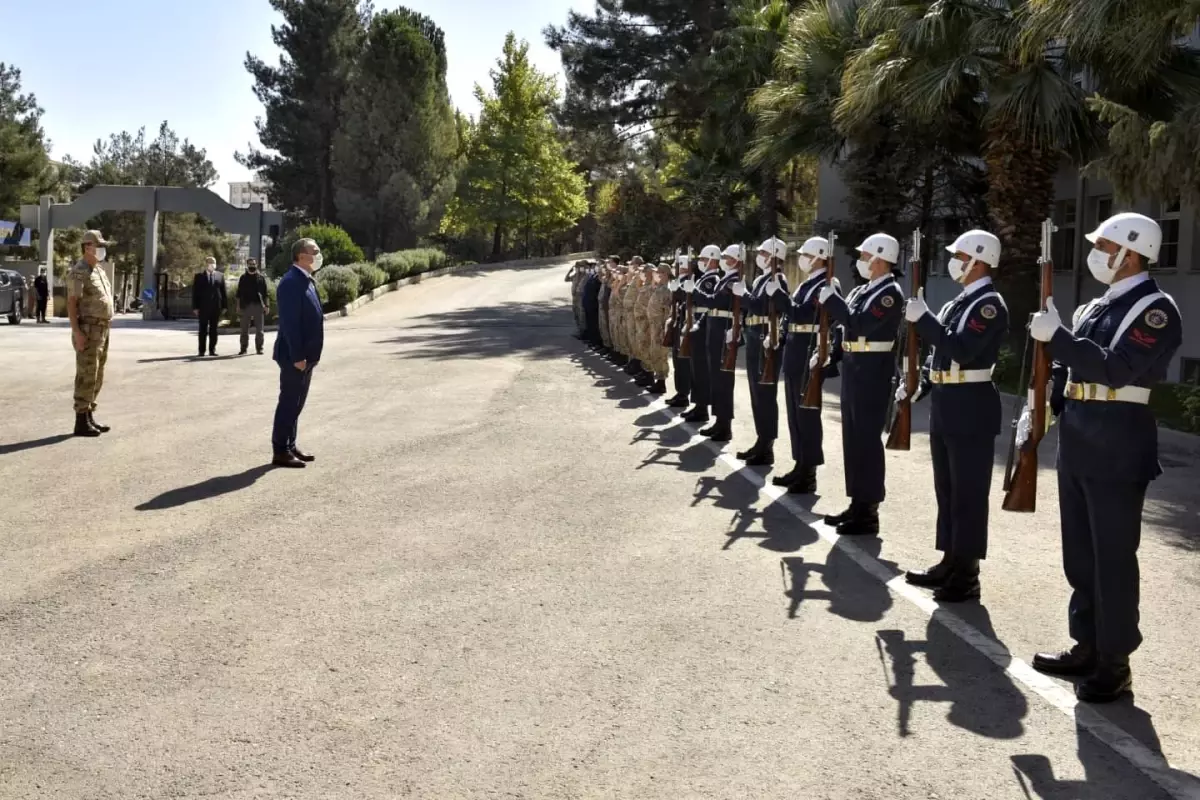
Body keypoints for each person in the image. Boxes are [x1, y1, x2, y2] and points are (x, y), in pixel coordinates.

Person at [1029, 212, 1182, 703]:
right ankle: (1086, 645)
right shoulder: (1096, 306)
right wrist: (1042, 408)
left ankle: (1115, 662)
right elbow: (1068, 371)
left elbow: (1115, 369)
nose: (1095, 252)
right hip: (1079, 437)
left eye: (1103, 245)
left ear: (1131, 253)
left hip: (1118, 443)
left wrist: (1059, 339)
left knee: (1113, 558)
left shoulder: (1156, 310)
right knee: (1081, 554)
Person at [899, 230, 1008, 602]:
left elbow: (960, 348)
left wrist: (925, 320)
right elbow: (939, 355)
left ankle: (967, 571)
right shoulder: (962, 302)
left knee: (969, 493)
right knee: (946, 488)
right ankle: (949, 559)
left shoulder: (988, 305)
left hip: (971, 403)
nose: (954, 261)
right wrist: (920, 383)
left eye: (959, 255)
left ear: (978, 259)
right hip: (948, 399)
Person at [818, 232, 904, 536]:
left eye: (865, 256)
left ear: (880, 259)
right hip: (856, 367)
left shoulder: (889, 293)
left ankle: (869, 510)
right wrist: (832, 354)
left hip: (873, 371)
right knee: (852, 438)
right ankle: (857, 502)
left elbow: (861, 323)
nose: (861, 262)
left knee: (867, 439)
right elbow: (847, 329)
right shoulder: (864, 290)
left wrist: (834, 302)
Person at [775, 237, 838, 494]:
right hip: (795, 350)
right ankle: (800, 463)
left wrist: (780, 298)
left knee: (807, 414)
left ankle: (809, 470)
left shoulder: (827, 284)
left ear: (819, 257)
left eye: (806, 254)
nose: (801, 258)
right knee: (795, 414)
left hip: (807, 351)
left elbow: (803, 314)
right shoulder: (809, 284)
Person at [272, 238, 325, 468]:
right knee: (289, 402)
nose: (318, 255)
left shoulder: (306, 280)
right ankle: (280, 450)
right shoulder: (291, 282)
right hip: (295, 357)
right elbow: (290, 324)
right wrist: (297, 357)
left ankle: (290, 445)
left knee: (297, 403)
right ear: (301, 256)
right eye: (315, 251)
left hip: (306, 356)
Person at [737, 237, 790, 466]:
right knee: (756, 393)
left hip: (764, 337)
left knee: (765, 394)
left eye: (763, 252)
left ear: (773, 256)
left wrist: (744, 295)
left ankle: (767, 445)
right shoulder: (762, 279)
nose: (759, 255)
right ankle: (761, 440)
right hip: (753, 335)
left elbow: (761, 307)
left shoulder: (778, 279)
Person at [66, 230, 115, 437]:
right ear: (87, 247)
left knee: (97, 374)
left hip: (103, 329)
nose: (102, 249)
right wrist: (77, 332)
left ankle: (89, 415)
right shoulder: (80, 271)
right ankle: (80, 420)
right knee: (86, 374)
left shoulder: (99, 270)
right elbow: (72, 303)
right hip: (88, 329)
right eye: (99, 245)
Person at [697, 244, 745, 442]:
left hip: (722, 330)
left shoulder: (733, 280)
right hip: (714, 329)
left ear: (735, 260)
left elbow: (714, 302)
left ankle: (725, 426)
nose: (723, 259)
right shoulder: (726, 279)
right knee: (716, 379)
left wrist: (695, 293)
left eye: (727, 257)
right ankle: (719, 421)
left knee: (724, 381)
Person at [681, 245, 724, 425]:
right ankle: (699, 405)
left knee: (701, 369)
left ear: (713, 260)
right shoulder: (703, 278)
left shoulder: (711, 279)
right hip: (696, 323)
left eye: (704, 259)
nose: (701, 263)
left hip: (703, 326)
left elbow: (706, 302)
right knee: (696, 368)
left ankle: (702, 407)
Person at [645, 262, 673, 395]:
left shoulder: (667, 290)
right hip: (654, 326)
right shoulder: (659, 287)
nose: (656, 274)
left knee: (661, 355)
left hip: (660, 327)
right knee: (655, 353)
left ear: (665, 274)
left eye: (659, 272)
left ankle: (661, 382)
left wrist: (664, 329)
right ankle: (658, 380)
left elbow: (667, 312)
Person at [192, 256, 228, 357]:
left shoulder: (220, 276)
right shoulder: (199, 276)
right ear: (206, 264)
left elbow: (223, 292)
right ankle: (201, 351)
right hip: (203, 308)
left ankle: (212, 350)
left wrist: (225, 306)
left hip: (216, 307)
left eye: (214, 263)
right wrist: (195, 307)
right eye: (210, 263)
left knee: (214, 330)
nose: (212, 265)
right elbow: (195, 293)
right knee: (202, 329)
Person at [237, 257, 270, 355]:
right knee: (244, 330)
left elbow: (265, 293)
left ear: (257, 265)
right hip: (245, 306)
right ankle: (243, 349)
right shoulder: (243, 278)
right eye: (250, 264)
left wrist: (267, 306)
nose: (252, 266)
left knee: (260, 330)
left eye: (254, 264)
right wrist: (238, 306)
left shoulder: (261, 278)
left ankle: (259, 348)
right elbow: (238, 293)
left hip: (258, 306)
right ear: (247, 265)